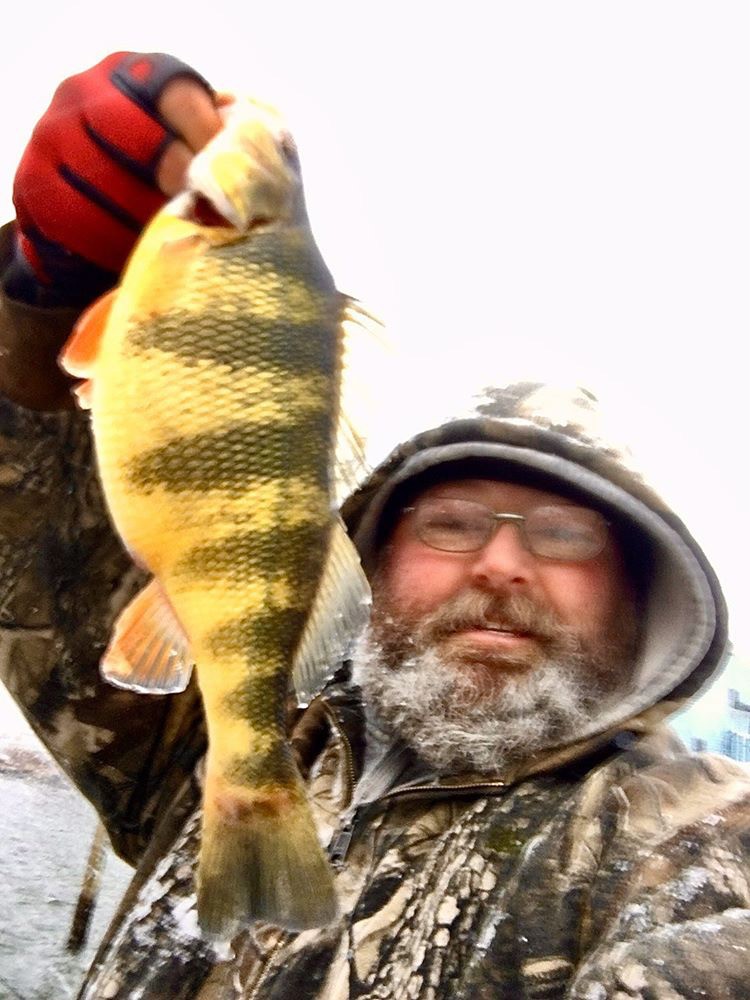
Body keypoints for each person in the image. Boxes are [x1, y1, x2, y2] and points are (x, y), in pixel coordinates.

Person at [0, 52, 748, 1000]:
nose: (504, 562)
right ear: (370, 564)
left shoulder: (689, 848)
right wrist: (40, 300)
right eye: (452, 523)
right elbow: (43, 566)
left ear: (644, 590)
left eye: (564, 536)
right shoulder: (215, 751)